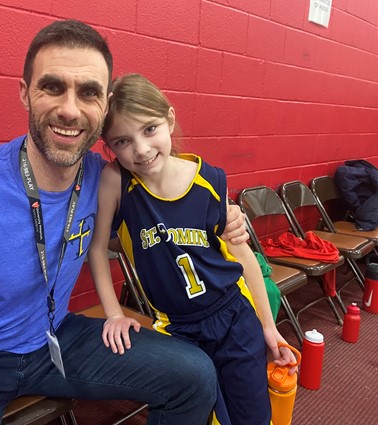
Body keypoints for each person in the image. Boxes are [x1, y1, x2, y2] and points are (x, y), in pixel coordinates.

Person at [0, 21, 249, 425]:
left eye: (88, 93)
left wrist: (222, 215)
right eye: (52, 87)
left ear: (104, 107)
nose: (69, 109)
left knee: (194, 375)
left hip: (52, 337)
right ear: (25, 93)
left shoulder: (107, 180)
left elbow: (167, 188)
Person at [87, 73, 297, 425]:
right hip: (178, 327)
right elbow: (96, 249)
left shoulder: (210, 180)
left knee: (252, 415)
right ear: (109, 146)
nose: (140, 148)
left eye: (150, 129)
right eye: (123, 140)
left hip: (232, 315)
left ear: (169, 120)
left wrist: (268, 327)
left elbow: (242, 256)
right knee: (196, 411)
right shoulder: (117, 181)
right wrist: (114, 313)